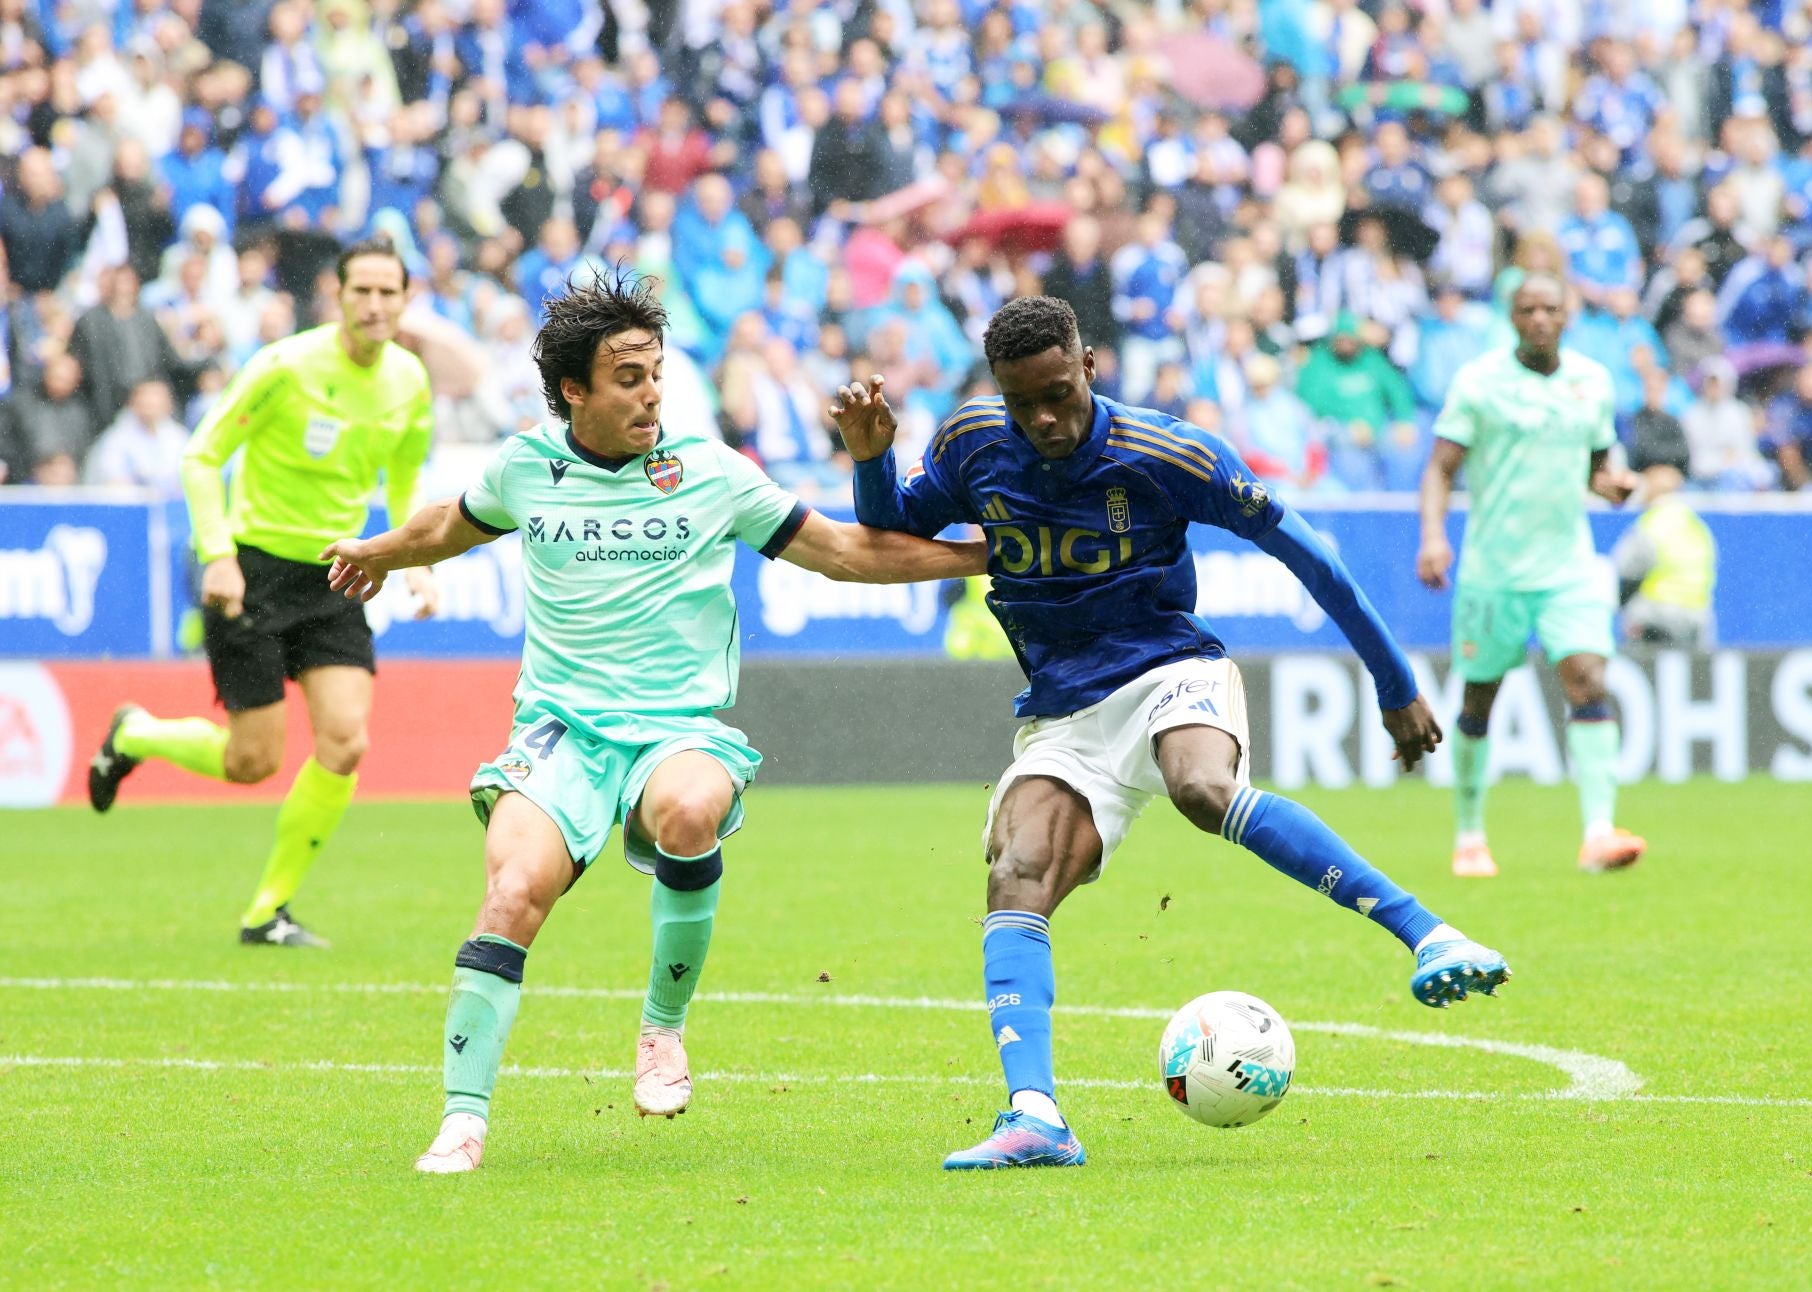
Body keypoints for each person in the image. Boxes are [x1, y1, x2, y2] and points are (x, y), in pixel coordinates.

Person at [318, 271, 985, 1174]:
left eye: (656, 372)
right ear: (574, 392)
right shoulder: (528, 467)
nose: (651, 392)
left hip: (676, 726)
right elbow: (451, 525)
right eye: (627, 377)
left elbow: (840, 551)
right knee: (511, 898)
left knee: (688, 810)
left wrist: (987, 555)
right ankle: (463, 1118)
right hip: (561, 731)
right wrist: (378, 553)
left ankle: (661, 1032)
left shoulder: (711, 472)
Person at [834, 296, 1509, 1172]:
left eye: (1056, 393)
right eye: (1020, 401)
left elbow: (1313, 559)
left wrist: (1395, 683)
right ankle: (1036, 1117)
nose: (1042, 418)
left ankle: (1432, 935)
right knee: (1016, 873)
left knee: (1200, 787)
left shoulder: (1167, 453)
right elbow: (891, 529)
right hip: (1063, 710)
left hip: (1168, 669)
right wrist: (871, 461)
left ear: (1086, 364)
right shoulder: (973, 441)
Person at [86, 237, 440, 948]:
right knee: (254, 761)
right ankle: (135, 734)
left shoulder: (408, 380)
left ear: (406, 300)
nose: (374, 304)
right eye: (361, 291)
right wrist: (217, 556)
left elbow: (403, 480)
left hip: (338, 572)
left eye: (388, 292)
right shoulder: (285, 367)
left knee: (345, 742)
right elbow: (202, 454)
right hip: (252, 571)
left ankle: (266, 911)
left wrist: (415, 560)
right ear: (336, 298)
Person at [1417, 275, 1645, 881]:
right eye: (1529, 309)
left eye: (1552, 308)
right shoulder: (1479, 382)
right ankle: (1469, 834)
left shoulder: (1592, 382)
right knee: (1478, 701)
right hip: (1495, 571)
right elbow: (1440, 467)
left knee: (1588, 680)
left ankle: (1598, 831)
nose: (1541, 318)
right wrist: (1434, 536)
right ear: (1512, 317)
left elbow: (1599, 464)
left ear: (1568, 315)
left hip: (1569, 567)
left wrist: (1613, 485)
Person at [1612, 456, 1717, 650]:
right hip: (1697, 614)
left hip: (1656, 614)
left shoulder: (1651, 524)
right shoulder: (1696, 525)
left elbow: (1628, 573)